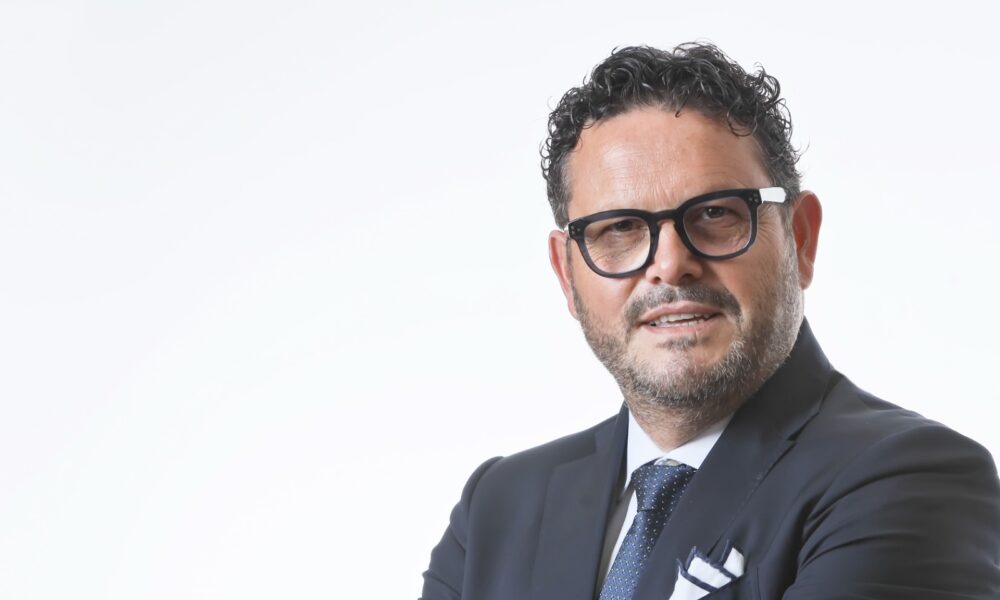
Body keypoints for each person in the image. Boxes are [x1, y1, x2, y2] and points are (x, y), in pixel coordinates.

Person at [419, 43, 1000, 600]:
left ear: (799, 239)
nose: (671, 264)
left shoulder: (909, 480)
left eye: (716, 213)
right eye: (619, 228)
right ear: (566, 273)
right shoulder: (498, 507)